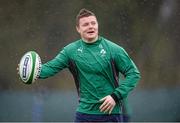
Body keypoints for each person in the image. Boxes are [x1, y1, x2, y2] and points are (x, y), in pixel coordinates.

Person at [39, 8, 141, 122]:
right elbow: (49, 68)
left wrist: (115, 96)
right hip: (84, 114)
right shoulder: (70, 51)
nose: (91, 26)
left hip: (110, 115)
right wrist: (30, 72)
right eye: (86, 24)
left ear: (98, 25)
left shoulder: (114, 50)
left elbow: (134, 74)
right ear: (78, 29)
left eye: (93, 23)